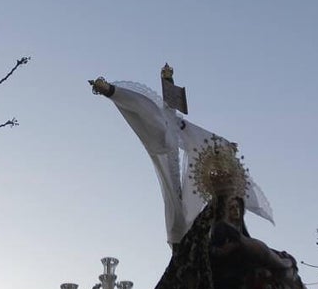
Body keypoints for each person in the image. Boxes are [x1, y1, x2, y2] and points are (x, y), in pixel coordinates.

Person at [89, 73, 273, 246]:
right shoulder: (160, 117)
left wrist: (224, 145)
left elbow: (200, 135)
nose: (234, 210)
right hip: (163, 152)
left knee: (182, 219)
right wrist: (111, 91)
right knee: (177, 216)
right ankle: (181, 242)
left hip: (211, 237)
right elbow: (141, 106)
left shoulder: (180, 124)